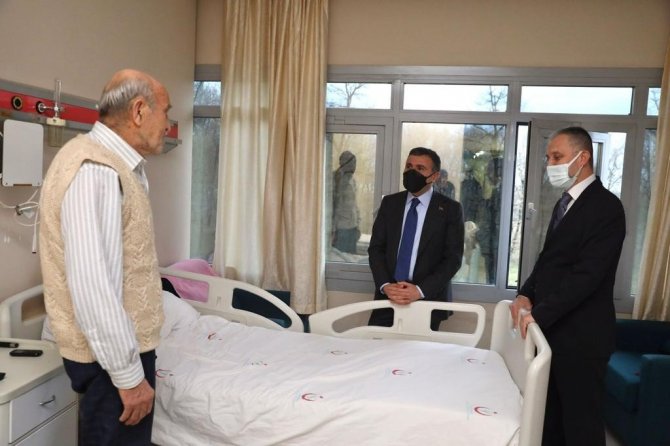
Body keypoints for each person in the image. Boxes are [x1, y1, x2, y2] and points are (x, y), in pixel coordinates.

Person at [39, 69, 172, 446]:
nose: (168, 124)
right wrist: (130, 378)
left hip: (117, 354)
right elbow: (93, 287)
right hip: (111, 362)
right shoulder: (95, 171)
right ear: (140, 111)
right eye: (166, 112)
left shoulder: (115, 165)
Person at [510, 127, 626, 446]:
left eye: (557, 157)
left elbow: (587, 276)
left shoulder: (606, 207)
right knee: (549, 421)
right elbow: (548, 260)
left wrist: (539, 314)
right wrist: (525, 293)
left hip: (582, 337)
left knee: (581, 425)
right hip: (553, 332)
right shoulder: (565, 203)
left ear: (582, 157)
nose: (550, 164)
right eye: (549, 157)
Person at [368, 147, 464, 331]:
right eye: (409, 166)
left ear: (434, 176)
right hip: (388, 298)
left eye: (420, 168)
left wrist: (419, 290)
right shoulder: (390, 203)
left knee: (418, 350)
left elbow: (453, 259)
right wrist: (386, 285)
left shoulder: (450, 209)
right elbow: (376, 249)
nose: (412, 172)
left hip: (427, 299)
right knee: (375, 345)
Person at [476, 157, 502, 283]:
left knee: (493, 277)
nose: (488, 174)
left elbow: (494, 221)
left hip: (495, 244)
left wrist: (480, 235)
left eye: (490, 170)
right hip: (490, 243)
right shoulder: (495, 191)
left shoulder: (502, 193)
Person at [332, 150, 361, 254]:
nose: (354, 166)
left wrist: (357, 225)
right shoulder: (334, 179)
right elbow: (332, 206)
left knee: (351, 260)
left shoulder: (352, 180)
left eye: (355, 163)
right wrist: (332, 230)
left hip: (352, 228)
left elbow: (354, 205)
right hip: (341, 230)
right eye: (352, 163)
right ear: (344, 163)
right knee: (340, 260)